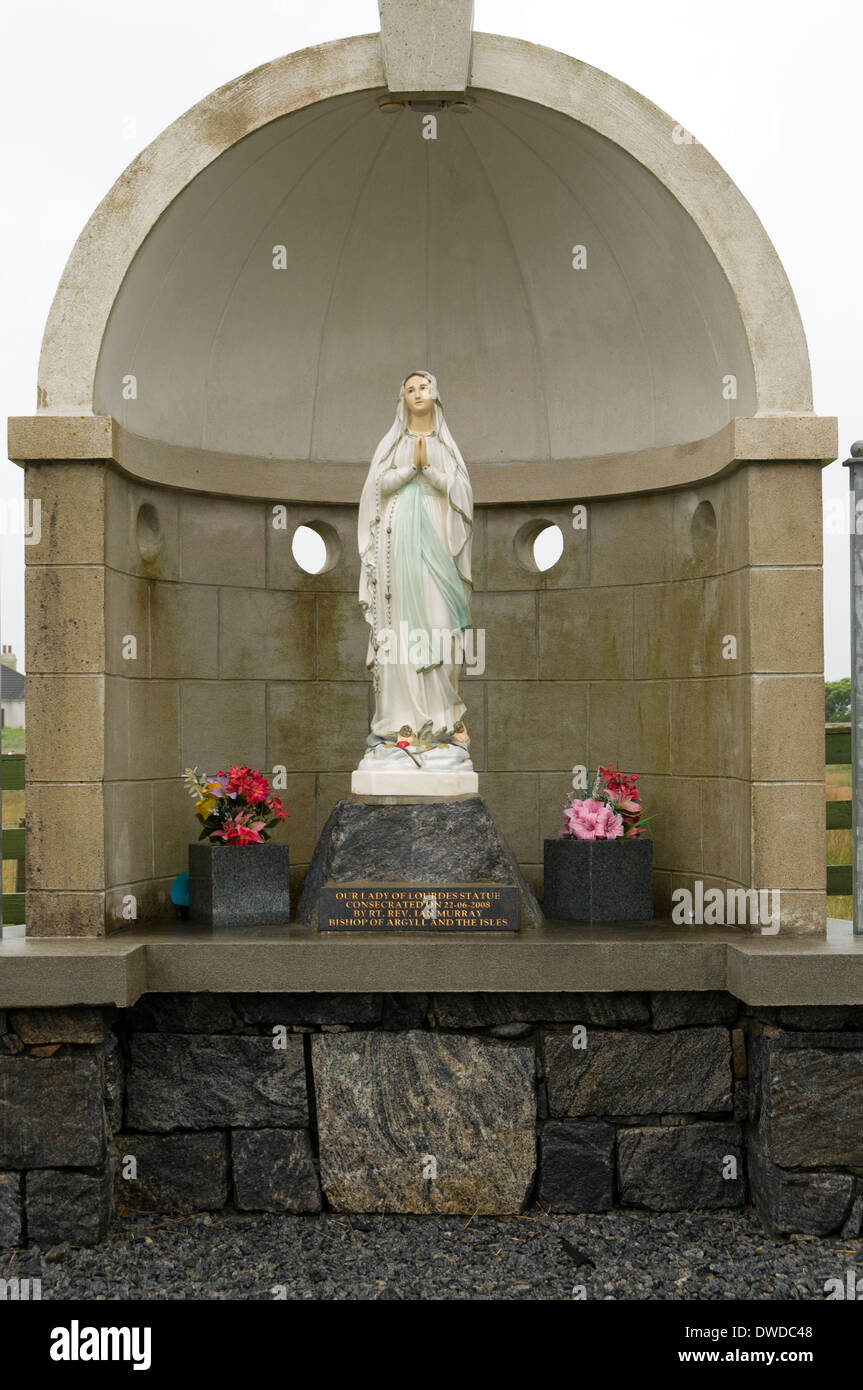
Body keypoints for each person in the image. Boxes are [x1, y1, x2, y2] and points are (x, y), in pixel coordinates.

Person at [356, 370, 474, 763]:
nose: (418, 393)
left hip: (437, 544)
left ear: (435, 394)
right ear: (401, 398)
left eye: (424, 387)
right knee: (400, 633)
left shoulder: (446, 444)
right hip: (397, 545)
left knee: (441, 627)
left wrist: (435, 474)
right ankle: (400, 723)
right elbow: (373, 491)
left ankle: (442, 722)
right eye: (410, 388)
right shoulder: (392, 444)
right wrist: (409, 471)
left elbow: (463, 495)